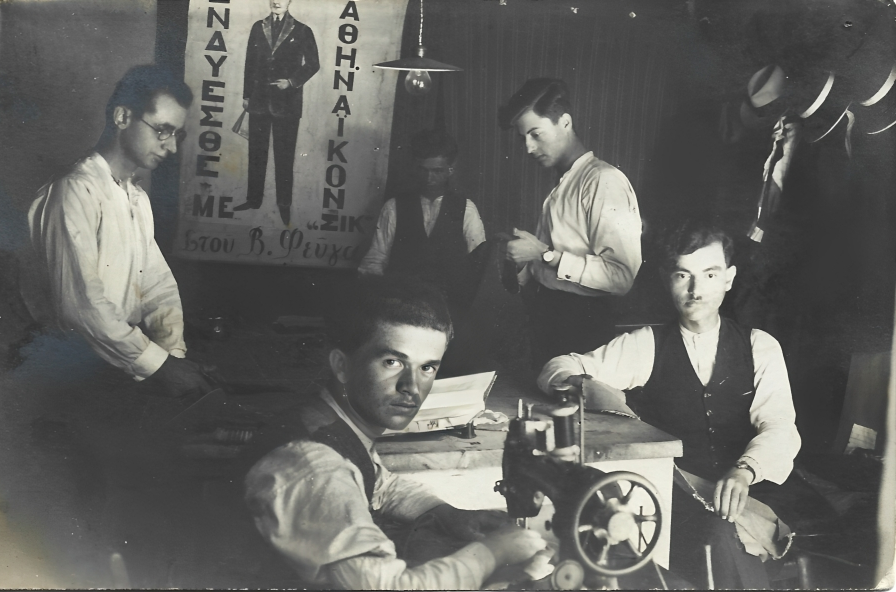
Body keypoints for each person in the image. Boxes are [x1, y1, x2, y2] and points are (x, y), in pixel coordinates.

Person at [537, 220, 801, 589]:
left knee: (732, 536)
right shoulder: (646, 345)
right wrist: (584, 385)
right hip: (680, 498)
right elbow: (557, 367)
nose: (696, 289)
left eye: (710, 274)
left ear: (729, 279)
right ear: (668, 280)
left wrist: (744, 471)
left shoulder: (760, 346)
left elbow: (779, 426)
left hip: (753, 487)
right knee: (714, 535)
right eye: (683, 275)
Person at [243, 275, 547, 589]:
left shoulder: (330, 424)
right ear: (342, 365)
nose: (411, 386)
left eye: (427, 367)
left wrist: (445, 512)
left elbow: (380, 484)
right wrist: (492, 553)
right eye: (392, 362)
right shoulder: (316, 465)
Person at [28, 64, 212, 400]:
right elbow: (81, 307)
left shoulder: (135, 197)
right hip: (68, 372)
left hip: (118, 364)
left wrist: (173, 355)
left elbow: (157, 286)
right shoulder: (75, 191)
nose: (172, 147)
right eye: (163, 130)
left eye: (177, 135)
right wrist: (162, 367)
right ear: (123, 117)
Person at [498, 78, 643, 372]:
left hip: (582, 326)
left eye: (536, 134)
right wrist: (524, 260)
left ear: (565, 122)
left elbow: (621, 277)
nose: (528, 147)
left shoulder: (603, 181)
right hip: (548, 318)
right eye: (523, 138)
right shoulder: (564, 182)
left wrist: (544, 254)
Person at [358, 129, 487, 311]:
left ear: (450, 169)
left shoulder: (467, 209)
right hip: (402, 306)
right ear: (414, 166)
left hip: (449, 308)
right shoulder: (393, 207)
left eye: (437, 171)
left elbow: (478, 263)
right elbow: (375, 260)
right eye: (423, 170)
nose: (429, 178)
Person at [234, 0, 320, 225]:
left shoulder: (302, 30)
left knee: (284, 157)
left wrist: (291, 82)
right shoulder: (258, 27)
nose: (276, 1)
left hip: (287, 105)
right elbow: (250, 63)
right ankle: (253, 200)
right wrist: (246, 95)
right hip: (259, 101)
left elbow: (313, 64)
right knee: (256, 154)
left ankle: (284, 205)